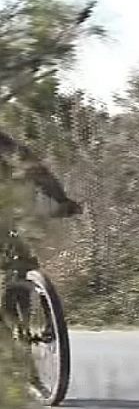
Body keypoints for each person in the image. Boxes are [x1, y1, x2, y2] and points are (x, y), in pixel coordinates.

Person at [0, 129, 81, 330]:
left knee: (21, 260)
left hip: (8, 213)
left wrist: (62, 201)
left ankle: (20, 324)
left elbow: (38, 172)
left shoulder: (8, 146)